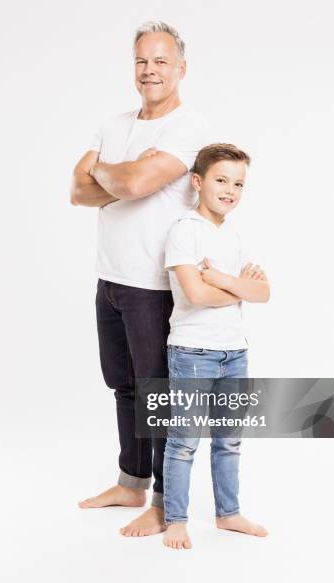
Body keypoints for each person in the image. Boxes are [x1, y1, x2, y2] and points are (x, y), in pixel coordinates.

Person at [70, 21, 210, 537]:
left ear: (181, 69)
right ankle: (130, 481)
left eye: (160, 62)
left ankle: (161, 502)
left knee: (158, 393)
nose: (149, 71)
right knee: (123, 387)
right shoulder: (113, 123)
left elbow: (132, 183)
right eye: (141, 62)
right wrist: (124, 176)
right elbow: (77, 190)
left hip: (153, 284)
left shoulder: (189, 128)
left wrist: (113, 173)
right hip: (110, 277)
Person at [162, 143, 270, 549]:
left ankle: (228, 513)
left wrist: (222, 280)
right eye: (221, 180)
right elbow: (194, 295)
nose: (230, 190)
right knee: (185, 440)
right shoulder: (184, 230)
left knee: (229, 439)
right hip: (193, 353)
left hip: (235, 352)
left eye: (238, 183)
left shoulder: (235, 235)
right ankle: (176, 519)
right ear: (198, 182)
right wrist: (239, 287)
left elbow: (264, 293)